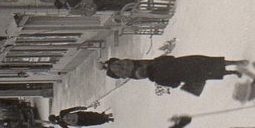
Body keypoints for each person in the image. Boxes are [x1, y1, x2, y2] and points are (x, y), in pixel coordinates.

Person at [103, 54, 247, 96]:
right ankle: (235, 62)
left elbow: (175, 84)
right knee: (210, 62)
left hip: (187, 75)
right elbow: (170, 57)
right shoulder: (156, 62)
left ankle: (234, 72)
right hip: (186, 61)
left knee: (209, 73)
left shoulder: (158, 80)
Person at [49, 106, 113, 128]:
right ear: (54, 115)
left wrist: (59, 124)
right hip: (79, 115)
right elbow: (72, 109)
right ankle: (104, 115)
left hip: (79, 122)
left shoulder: (61, 123)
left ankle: (106, 120)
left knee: (93, 122)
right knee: (92, 115)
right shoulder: (62, 113)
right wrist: (82, 108)